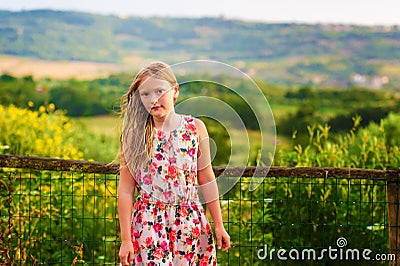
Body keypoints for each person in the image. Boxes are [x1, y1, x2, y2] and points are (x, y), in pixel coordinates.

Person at [117, 61, 230, 265]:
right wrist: (126, 239)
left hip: (190, 223)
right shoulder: (134, 135)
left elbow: (206, 178)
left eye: (160, 91)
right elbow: (126, 189)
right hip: (149, 225)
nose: (153, 99)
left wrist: (219, 224)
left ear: (175, 91)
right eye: (145, 94)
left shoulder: (195, 128)